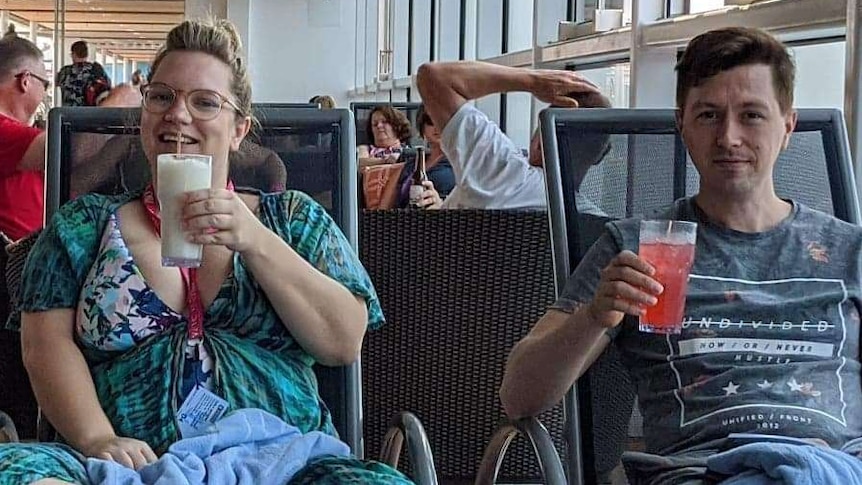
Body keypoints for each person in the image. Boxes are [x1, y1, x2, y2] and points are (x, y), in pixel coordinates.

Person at [0, 19, 411, 485]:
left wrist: (253, 239)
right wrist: (97, 438)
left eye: (205, 102)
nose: (178, 114)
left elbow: (343, 342)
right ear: (144, 116)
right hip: (118, 466)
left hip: (288, 464)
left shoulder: (292, 219)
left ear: (239, 129)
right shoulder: (84, 226)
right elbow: (44, 345)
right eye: (162, 96)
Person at [499, 26, 862, 484]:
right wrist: (594, 315)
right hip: (701, 472)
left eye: (751, 115)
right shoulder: (634, 248)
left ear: (787, 127)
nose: (729, 137)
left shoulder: (851, 252)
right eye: (709, 115)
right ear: (682, 126)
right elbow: (519, 396)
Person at [416, 60, 611, 211]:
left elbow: (433, 77)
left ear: (540, 144)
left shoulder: (505, 175)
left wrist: (533, 81)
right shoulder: (590, 222)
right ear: (601, 156)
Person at [0, 29, 48, 241]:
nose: (45, 93)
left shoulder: (19, 136)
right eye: (45, 84)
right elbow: (65, 147)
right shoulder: (4, 130)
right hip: (16, 265)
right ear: (25, 80)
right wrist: (117, 105)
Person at [56, 40, 112, 107]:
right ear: (87, 54)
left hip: (68, 113)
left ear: (73, 54)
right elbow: (107, 87)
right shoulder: (96, 69)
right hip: (89, 113)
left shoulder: (64, 71)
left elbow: (57, 83)